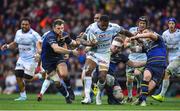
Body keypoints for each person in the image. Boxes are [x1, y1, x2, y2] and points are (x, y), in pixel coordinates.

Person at [80, 15, 133, 105]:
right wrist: (88, 43)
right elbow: (82, 40)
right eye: (103, 25)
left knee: (102, 77)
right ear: (99, 22)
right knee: (88, 71)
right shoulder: (91, 28)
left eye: (106, 25)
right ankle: (87, 97)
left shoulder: (113, 27)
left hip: (104, 54)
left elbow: (124, 31)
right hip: (94, 52)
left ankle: (98, 95)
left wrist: (135, 37)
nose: (105, 27)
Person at [37, 19, 80, 103]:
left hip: (58, 58)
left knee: (64, 74)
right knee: (57, 82)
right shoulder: (50, 36)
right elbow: (56, 49)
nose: (61, 30)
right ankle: (67, 96)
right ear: (53, 28)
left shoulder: (64, 35)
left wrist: (79, 40)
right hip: (47, 61)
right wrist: (71, 52)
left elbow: (73, 43)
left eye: (62, 28)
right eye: (58, 28)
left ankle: (69, 88)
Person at [1, 18, 42, 101]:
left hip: (32, 59)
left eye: (26, 24)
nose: (24, 26)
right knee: (18, 76)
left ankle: (40, 75)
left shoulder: (34, 34)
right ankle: (23, 96)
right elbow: (16, 43)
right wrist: (8, 46)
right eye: (23, 24)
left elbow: (41, 44)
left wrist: (38, 54)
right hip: (21, 59)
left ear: (29, 25)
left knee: (27, 78)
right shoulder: (18, 32)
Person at [130, 25, 167, 106]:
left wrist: (138, 35)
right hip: (150, 64)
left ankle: (140, 99)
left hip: (160, 66)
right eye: (143, 33)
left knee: (147, 90)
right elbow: (133, 49)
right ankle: (143, 102)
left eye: (145, 32)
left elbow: (150, 35)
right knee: (146, 77)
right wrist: (133, 40)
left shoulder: (158, 39)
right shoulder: (146, 46)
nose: (145, 35)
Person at [105, 37, 146, 104]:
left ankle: (112, 98)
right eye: (115, 46)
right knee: (107, 78)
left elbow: (133, 64)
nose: (116, 49)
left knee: (120, 97)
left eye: (118, 47)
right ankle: (94, 96)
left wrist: (146, 62)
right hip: (99, 75)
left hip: (112, 77)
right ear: (111, 45)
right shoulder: (104, 51)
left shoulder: (121, 56)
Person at [152, 17, 180, 102]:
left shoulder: (179, 33)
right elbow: (164, 47)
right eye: (170, 23)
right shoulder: (165, 34)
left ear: (175, 25)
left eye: (173, 23)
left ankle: (161, 95)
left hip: (178, 56)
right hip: (170, 57)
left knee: (167, 72)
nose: (171, 25)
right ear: (167, 24)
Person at [126, 16, 148, 102]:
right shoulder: (132, 30)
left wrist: (138, 40)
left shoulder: (148, 33)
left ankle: (139, 86)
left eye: (144, 23)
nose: (142, 25)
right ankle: (130, 96)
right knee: (129, 80)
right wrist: (132, 37)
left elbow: (146, 46)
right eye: (140, 23)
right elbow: (126, 41)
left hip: (142, 58)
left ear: (146, 25)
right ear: (138, 23)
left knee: (137, 73)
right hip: (131, 58)